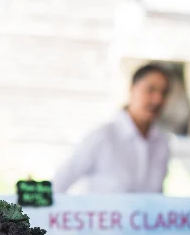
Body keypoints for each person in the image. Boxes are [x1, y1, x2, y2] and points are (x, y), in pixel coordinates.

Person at [53, 63, 171, 194]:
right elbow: (59, 182)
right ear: (132, 89)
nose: (158, 100)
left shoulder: (162, 143)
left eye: (164, 93)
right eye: (151, 90)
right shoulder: (102, 136)